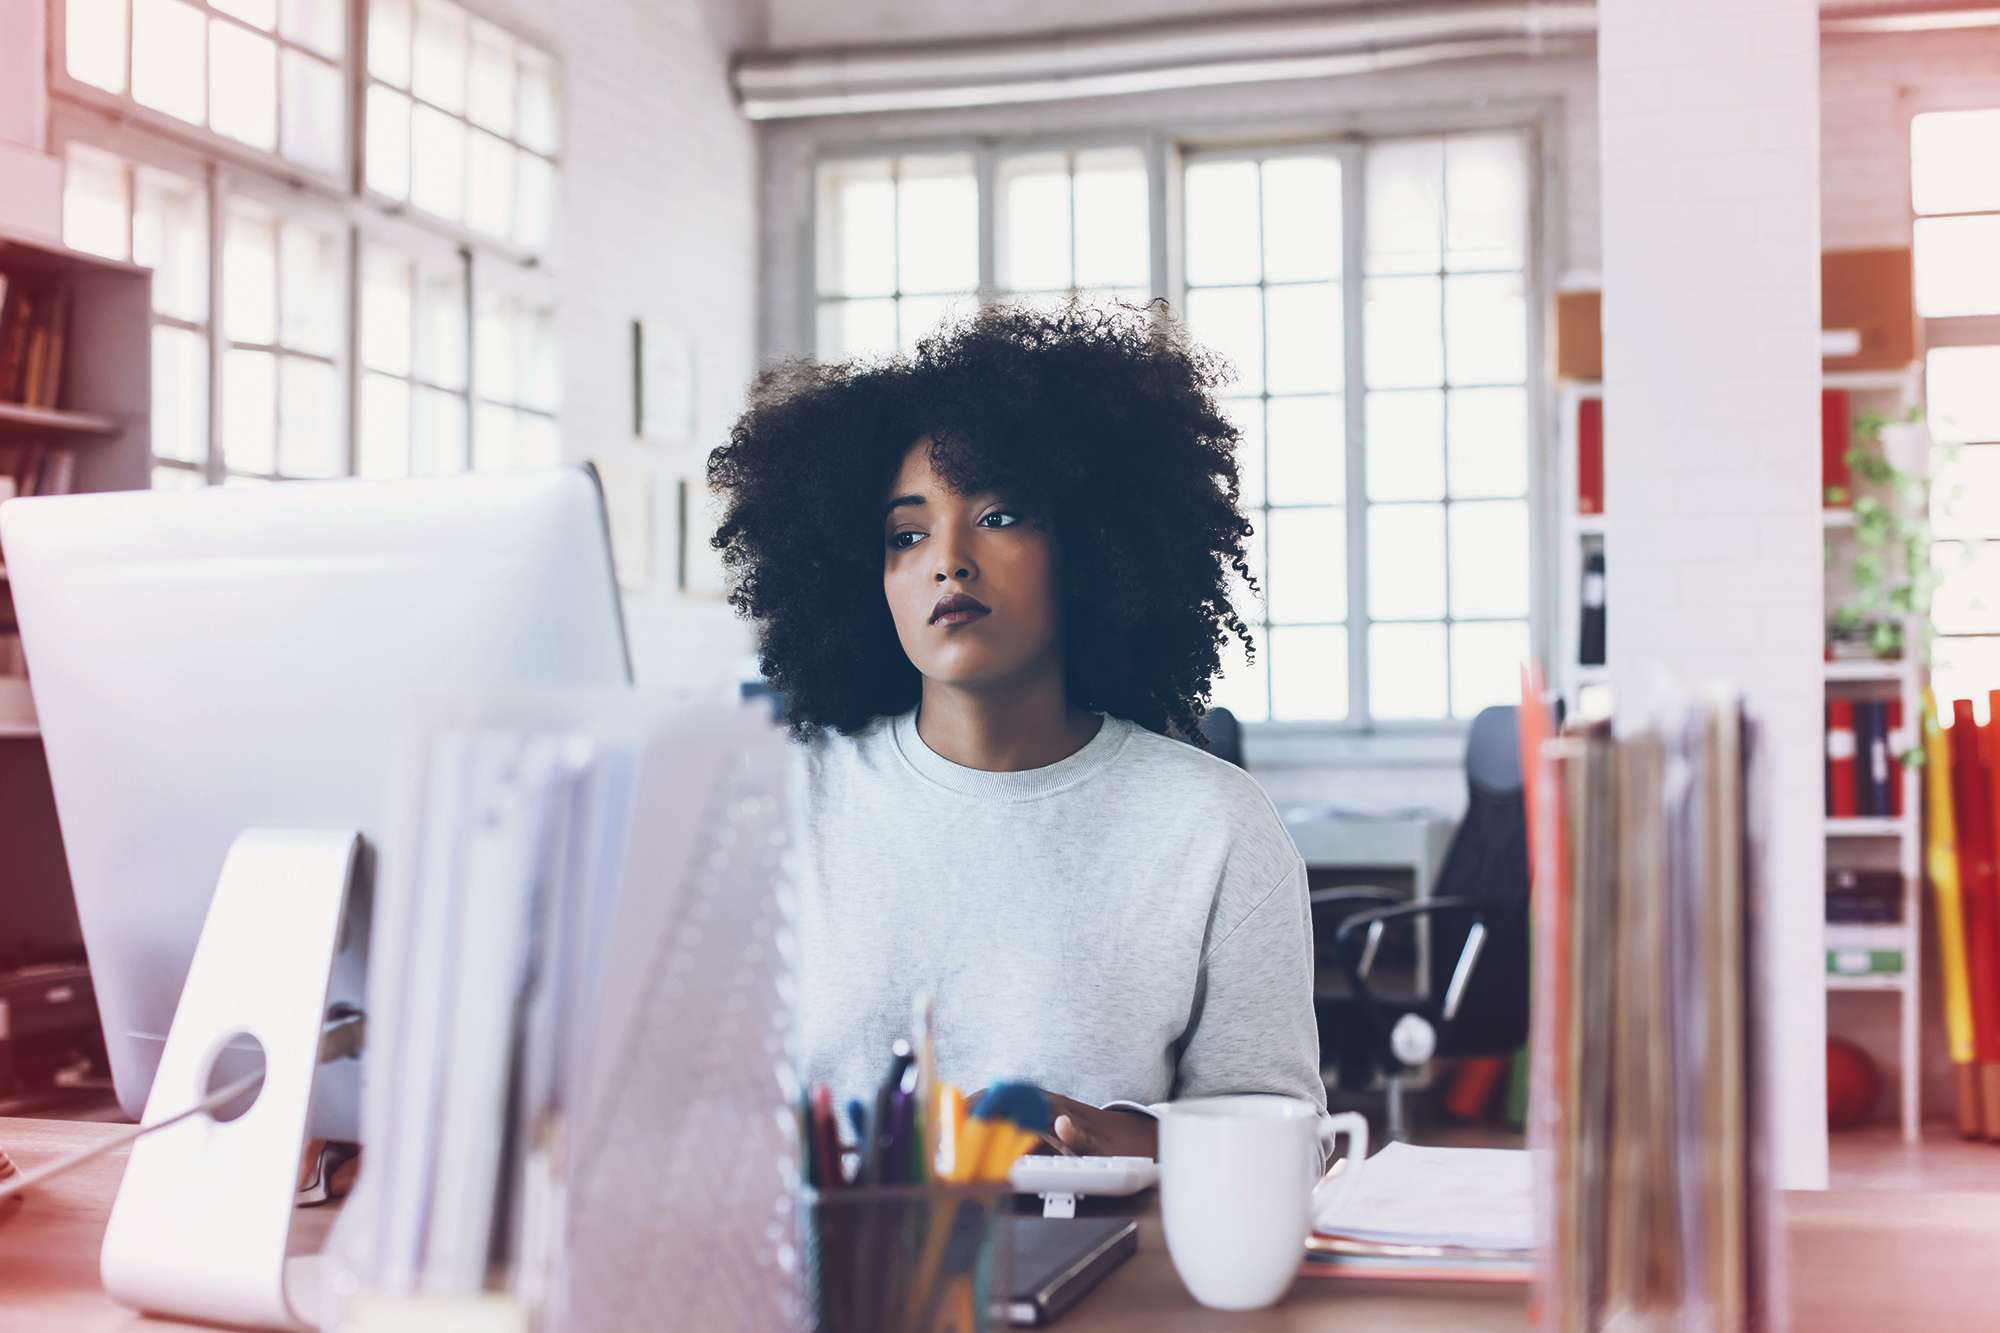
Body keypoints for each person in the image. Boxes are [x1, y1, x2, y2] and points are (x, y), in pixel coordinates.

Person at [707, 300, 1323, 1158]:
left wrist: (1138, 1142)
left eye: (998, 516)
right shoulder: (782, 804)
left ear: (1092, 543)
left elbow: (1282, 1133)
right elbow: (696, 1110)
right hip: (834, 1280)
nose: (948, 558)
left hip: (1117, 1281)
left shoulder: (1212, 824)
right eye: (906, 533)